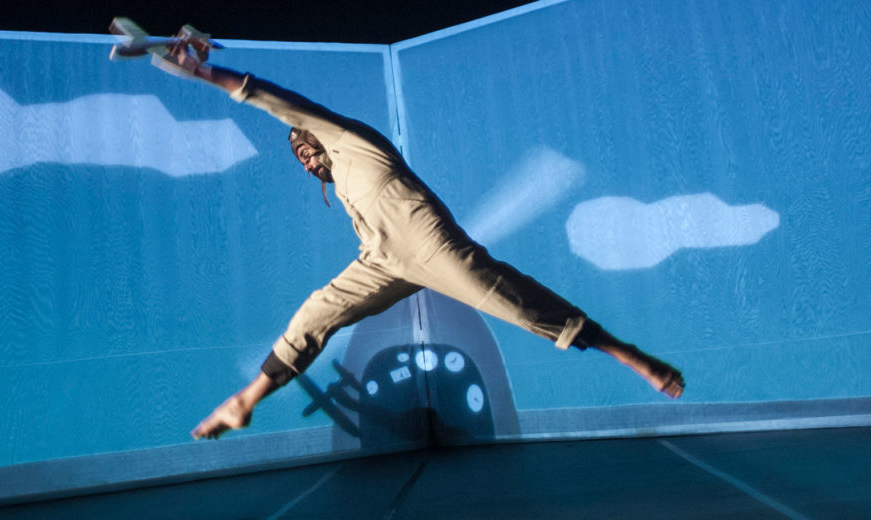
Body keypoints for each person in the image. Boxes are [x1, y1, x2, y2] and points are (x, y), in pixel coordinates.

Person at [159, 45, 686, 440]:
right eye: (297, 156)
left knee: (520, 306)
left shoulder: (349, 138)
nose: (302, 153)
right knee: (315, 314)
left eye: (304, 143)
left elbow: (274, 101)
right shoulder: (339, 182)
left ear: (318, 133)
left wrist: (206, 73)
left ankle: (628, 354)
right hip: (383, 261)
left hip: (433, 245)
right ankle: (244, 401)